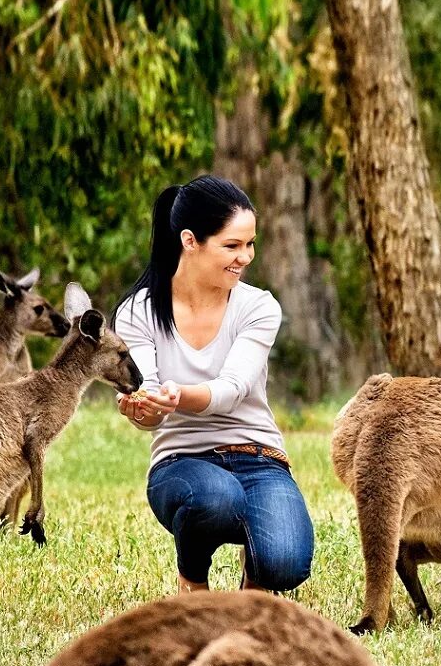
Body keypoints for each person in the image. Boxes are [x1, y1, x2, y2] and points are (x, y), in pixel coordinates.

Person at [113, 174, 316, 594]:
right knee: (216, 498)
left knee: (287, 563)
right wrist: (144, 408)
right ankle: (193, 583)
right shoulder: (140, 311)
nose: (245, 257)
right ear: (190, 241)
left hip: (258, 457)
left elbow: (231, 390)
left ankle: (252, 590)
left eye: (250, 244)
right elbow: (146, 398)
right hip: (181, 461)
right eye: (232, 245)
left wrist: (175, 396)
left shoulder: (258, 307)